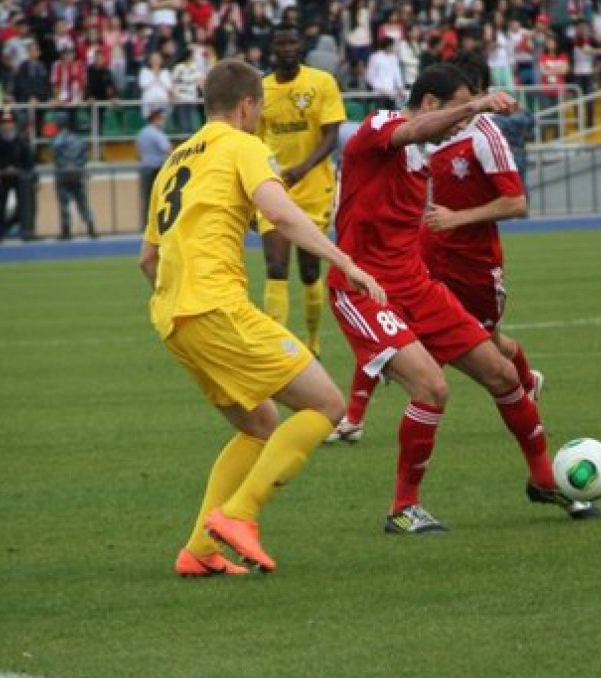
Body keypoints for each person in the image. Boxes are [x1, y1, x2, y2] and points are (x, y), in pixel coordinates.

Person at [137, 58, 385, 577]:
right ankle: (240, 517)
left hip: (172, 318)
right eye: (259, 111)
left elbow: (147, 260)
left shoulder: (175, 159)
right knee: (327, 404)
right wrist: (345, 262)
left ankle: (198, 550)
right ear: (248, 106)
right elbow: (286, 213)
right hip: (216, 307)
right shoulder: (244, 146)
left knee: (259, 424)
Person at [328, 63, 584, 533]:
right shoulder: (379, 127)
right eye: (459, 107)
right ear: (429, 103)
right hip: (362, 287)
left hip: (415, 284)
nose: (467, 120)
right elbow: (416, 127)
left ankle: (544, 479)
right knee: (432, 388)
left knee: (504, 374)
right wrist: (478, 104)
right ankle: (403, 509)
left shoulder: (424, 157)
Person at [257, 24, 346, 358]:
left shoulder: (321, 83)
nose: (287, 49)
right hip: (275, 188)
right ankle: (276, 347)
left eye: (293, 42)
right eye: (281, 44)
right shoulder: (261, 89)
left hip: (312, 188)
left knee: (310, 271)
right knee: (275, 266)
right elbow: (255, 140)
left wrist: (302, 169)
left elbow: (330, 135)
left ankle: (312, 340)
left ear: (302, 46)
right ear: (273, 48)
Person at [0, 110, 36, 243]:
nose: (7, 126)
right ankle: (0, 232)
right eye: (4, 123)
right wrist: (3, 168)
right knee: (0, 205)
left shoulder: (21, 142)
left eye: (9, 122)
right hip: (2, 178)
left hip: (19, 179)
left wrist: (19, 169)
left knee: (24, 205)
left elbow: (29, 161)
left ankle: (25, 230)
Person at [51, 112, 97, 240]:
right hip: (77, 173)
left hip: (63, 175)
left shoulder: (57, 140)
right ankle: (91, 228)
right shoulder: (78, 139)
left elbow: (56, 158)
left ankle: (66, 231)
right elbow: (84, 158)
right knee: (82, 201)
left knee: (64, 203)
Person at [137, 107, 172, 228]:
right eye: (161, 118)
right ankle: (156, 225)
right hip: (156, 168)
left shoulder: (142, 132)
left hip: (145, 166)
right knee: (158, 198)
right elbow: (168, 149)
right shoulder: (157, 133)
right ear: (156, 119)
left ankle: (145, 225)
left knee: (146, 197)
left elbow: (139, 151)